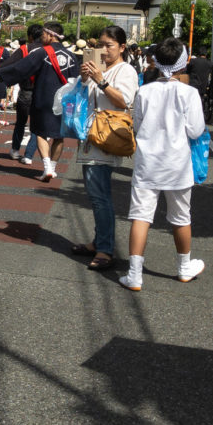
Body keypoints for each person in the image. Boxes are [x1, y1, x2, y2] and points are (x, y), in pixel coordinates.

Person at [118, 37, 206, 291]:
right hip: (177, 163)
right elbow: (196, 130)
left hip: (148, 162)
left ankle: (134, 274)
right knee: (181, 217)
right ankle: (184, 267)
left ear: (155, 60)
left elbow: (138, 125)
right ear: (183, 62)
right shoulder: (189, 93)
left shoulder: (144, 91)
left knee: (140, 217)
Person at [70, 26, 138, 271]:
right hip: (90, 134)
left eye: (109, 45)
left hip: (106, 135)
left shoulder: (126, 70)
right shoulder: (99, 66)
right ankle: (98, 241)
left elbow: (125, 101)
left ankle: (105, 249)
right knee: (94, 193)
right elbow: (83, 95)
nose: (104, 49)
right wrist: (86, 78)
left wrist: (100, 80)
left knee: (100, 196)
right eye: (101, 44)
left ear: (122, 47)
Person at [0, 21, 77, 182]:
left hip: (44, 97)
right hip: (65, 101)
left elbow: (21, 68)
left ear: (51, 35)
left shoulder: (42, 53)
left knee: (40, 132)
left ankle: (46, 167)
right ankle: (52, 167)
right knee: (59, 136)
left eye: (44, 34)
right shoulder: (71, 56)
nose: (42, 37)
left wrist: (0, 74)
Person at [9, 25, 43, 163]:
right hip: (41, 93)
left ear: (29, 36)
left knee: (20, 123)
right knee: (37, 126)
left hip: (25, 91)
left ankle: (15, 150)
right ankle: (28, 156)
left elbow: (10, 64)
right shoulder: (47, 50)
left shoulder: (24, 49)